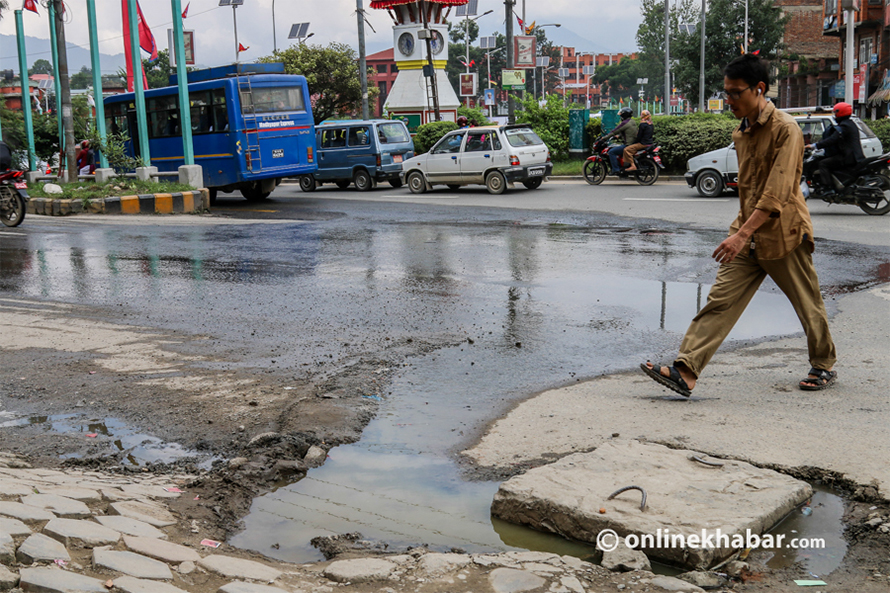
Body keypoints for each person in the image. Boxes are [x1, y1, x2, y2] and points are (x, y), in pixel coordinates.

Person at [641, 53, 837, 396]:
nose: (728, 99)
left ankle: (823, 364)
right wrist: (742, 232)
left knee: (807, 304)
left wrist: (742, 233)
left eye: (735, 93)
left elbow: (776, 194)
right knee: (721, 301)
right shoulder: (741, 133)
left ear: (759, 89)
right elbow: (747, 190)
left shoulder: (786, 130)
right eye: (726, 92)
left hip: (783, 233)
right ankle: (685, 371)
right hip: (746, 235)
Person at [805, 102, 863, 195]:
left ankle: (828, 188)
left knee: (823, 164)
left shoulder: (844, 126)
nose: (835, 115)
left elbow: (832, 139)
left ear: (841, 113)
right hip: (851, 155)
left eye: (836, 113)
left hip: (848, 157)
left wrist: (814, 146)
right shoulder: (849, 123)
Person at [602, 107, 637, 175]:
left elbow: (614, 131)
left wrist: (605, 138)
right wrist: (619, 136)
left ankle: (615, 169)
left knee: (611, 152)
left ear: (624, 115)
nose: (620, 116)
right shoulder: (632, 121)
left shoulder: (624, 123)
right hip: (633, 143)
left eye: (621, 115)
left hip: (628, 144)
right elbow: (628, 132)